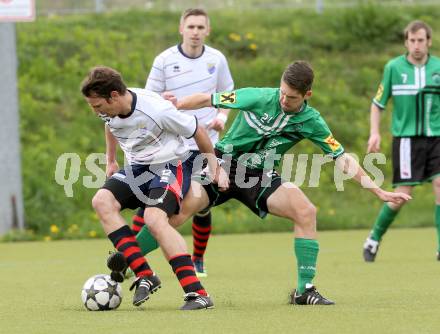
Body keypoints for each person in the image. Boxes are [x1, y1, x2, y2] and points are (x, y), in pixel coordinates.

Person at [159, 60, 410, 305]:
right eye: (282, 93)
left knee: (305, 211)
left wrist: (377, 190)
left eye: (291, 97)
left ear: (306, 94)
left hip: (259, 174)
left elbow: (341, 158)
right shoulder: (257, 97)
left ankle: (305, 290)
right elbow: (208, 99)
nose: (283, 100)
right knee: (178, 215)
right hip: (223, 163)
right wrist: (177, 104)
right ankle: (130, 260)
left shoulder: (311, 121)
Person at [81, 66, 228, 310]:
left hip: (171, 165)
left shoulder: (157, 110)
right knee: (101, 201)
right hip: (138, 167)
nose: (96, 111)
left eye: (98, 106)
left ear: (114, 96)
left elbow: (198, 131)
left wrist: (215, 168)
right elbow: (110, 124)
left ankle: (197, 293)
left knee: (154, 218)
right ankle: (145, 274)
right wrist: (110, 159)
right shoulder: (109, 110)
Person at [108, 8, 233, 278]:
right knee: (160, 206)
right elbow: (146, 100)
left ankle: (195, 258)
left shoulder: (217, 59)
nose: (196, 32)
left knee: (199, 203)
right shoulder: (164, 60)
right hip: (171, 144)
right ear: (181, 29)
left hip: (205, 142)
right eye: (191, 27)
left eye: (201, 27)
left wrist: (222, 116)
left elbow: (227, 93)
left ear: (208, 30)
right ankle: (133, 259)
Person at [362, 20, 440, 262]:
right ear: (406, 42)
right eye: (412, 40)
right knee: (401, 195)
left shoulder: (438, 67)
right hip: (406, 141)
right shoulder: (394, 68)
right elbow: (377, 105)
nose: (417, 45)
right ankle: (374, 238)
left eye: (421, 40)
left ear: (429, 42)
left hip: (436, 137)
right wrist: (374, 132)